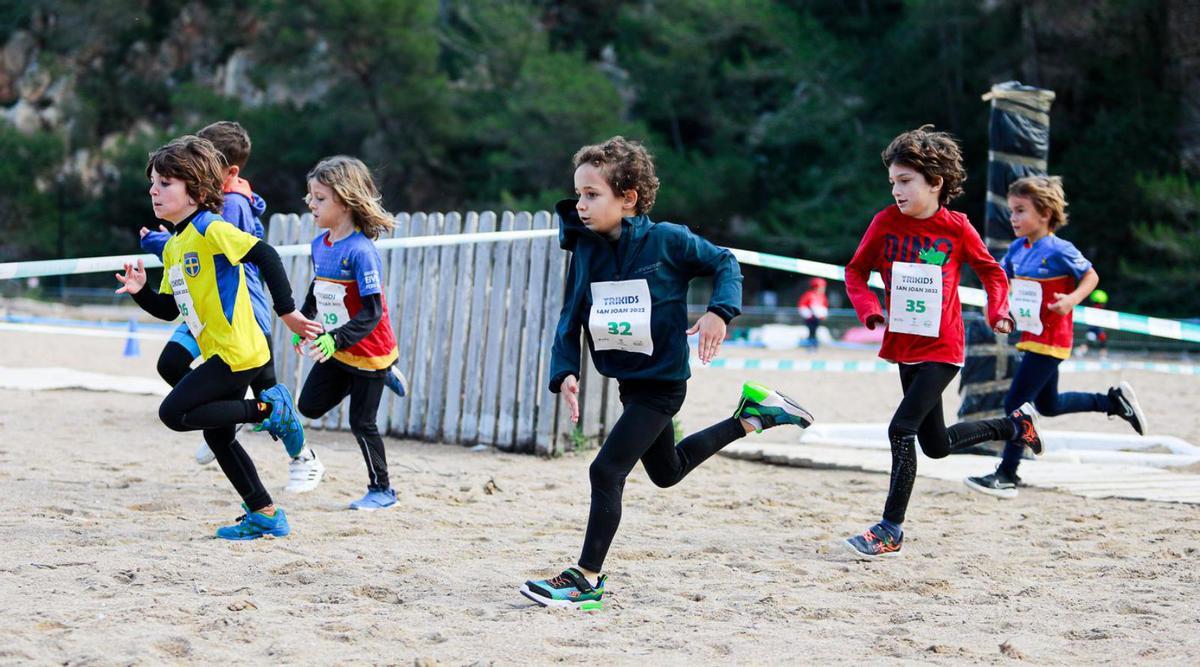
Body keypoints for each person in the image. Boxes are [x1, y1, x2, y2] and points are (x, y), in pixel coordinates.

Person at [519, 137, 814, 610]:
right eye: (578, 193)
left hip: (662, 385)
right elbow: (569, 314)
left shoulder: (668, 240)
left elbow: (725, 262)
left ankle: (586, 580)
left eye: (592, 194)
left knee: (605, 470)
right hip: (629, 383)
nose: (580, 204)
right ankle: (752, 416)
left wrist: (721, 311)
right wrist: (565, 371)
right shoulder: (587, 250)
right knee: (666, 471)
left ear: (628, 197)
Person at [842, 125, 1042, 559]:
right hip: (903, 346)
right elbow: (855, 271)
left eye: (905, 181)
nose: (895, 190)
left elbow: (992, 272)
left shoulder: (957, 227)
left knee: (901, 430)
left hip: (943, 347)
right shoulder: (884, 223)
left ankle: (890, 529)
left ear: (936, 182)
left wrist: (998, 311)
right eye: (892, 181)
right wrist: (871, 310)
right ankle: (1015, 426)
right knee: (934, 446)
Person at [116, 135, 322, 539]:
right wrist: (141, 292)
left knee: (173, 414)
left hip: (239, 351)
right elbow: (172, 310)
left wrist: (288, 312)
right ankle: (265, 513)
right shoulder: (175, 246)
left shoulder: (210, 228)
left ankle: (266, 412)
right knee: (217, 434)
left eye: (165, 183)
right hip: (224, 352)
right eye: (152, 184)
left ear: (194, 189)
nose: (154, 191)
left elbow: (265, 254)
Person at [964, 177, 1146, 498]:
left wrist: (1071, 300)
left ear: (1045, 213)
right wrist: (1002, 313)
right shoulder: (1017, 250)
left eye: (1020, 211)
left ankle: (1007, 474)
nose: (1013, 218)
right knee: (1047, 404)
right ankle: (1113, 401)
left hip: (1052, 340)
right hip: (1029, 336)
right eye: (1011, 211)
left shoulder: (1060, 250)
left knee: (1015, 403)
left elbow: (1091, 276)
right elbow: (1001, 282)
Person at [293, 156, 404, 511]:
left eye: (320, 198)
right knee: (308, 406)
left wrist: (334, 337)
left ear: (343, 200)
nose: (311, 203)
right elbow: (318, 288)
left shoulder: (361, 252)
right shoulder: (319, 245)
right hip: (338, 347)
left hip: (369, 350)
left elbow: (372, 312)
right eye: (310, 196)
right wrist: (304, 322)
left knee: (361, 422)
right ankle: (382, 376)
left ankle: (383, 491)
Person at [797, 277, 829, 349]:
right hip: (810, 318)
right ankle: (810, 346)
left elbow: (824, 306)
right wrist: (809, 314)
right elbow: (802, 306)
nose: (823, 289)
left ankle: (814, 345)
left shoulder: (822, 297)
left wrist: (822, 314)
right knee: (811, 331)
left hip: (817, 318)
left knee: (815, 331)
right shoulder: (809, 295)